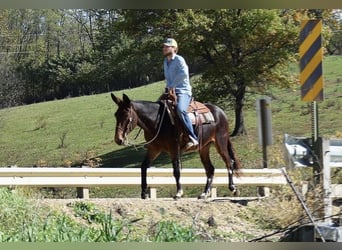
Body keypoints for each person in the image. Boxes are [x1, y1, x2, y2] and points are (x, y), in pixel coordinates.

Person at [162, 38, 199, 149]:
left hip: (183, 91)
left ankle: (193, 138)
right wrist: (168, 88)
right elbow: (167, 78)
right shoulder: (165, 62)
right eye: (163, 47)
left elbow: (183, 74)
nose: (164, 48)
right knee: (157, 109)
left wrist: (172, 85)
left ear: (174, 48)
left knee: (181, 110)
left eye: (166, 46)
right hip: (171, 91)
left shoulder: (179, 59)